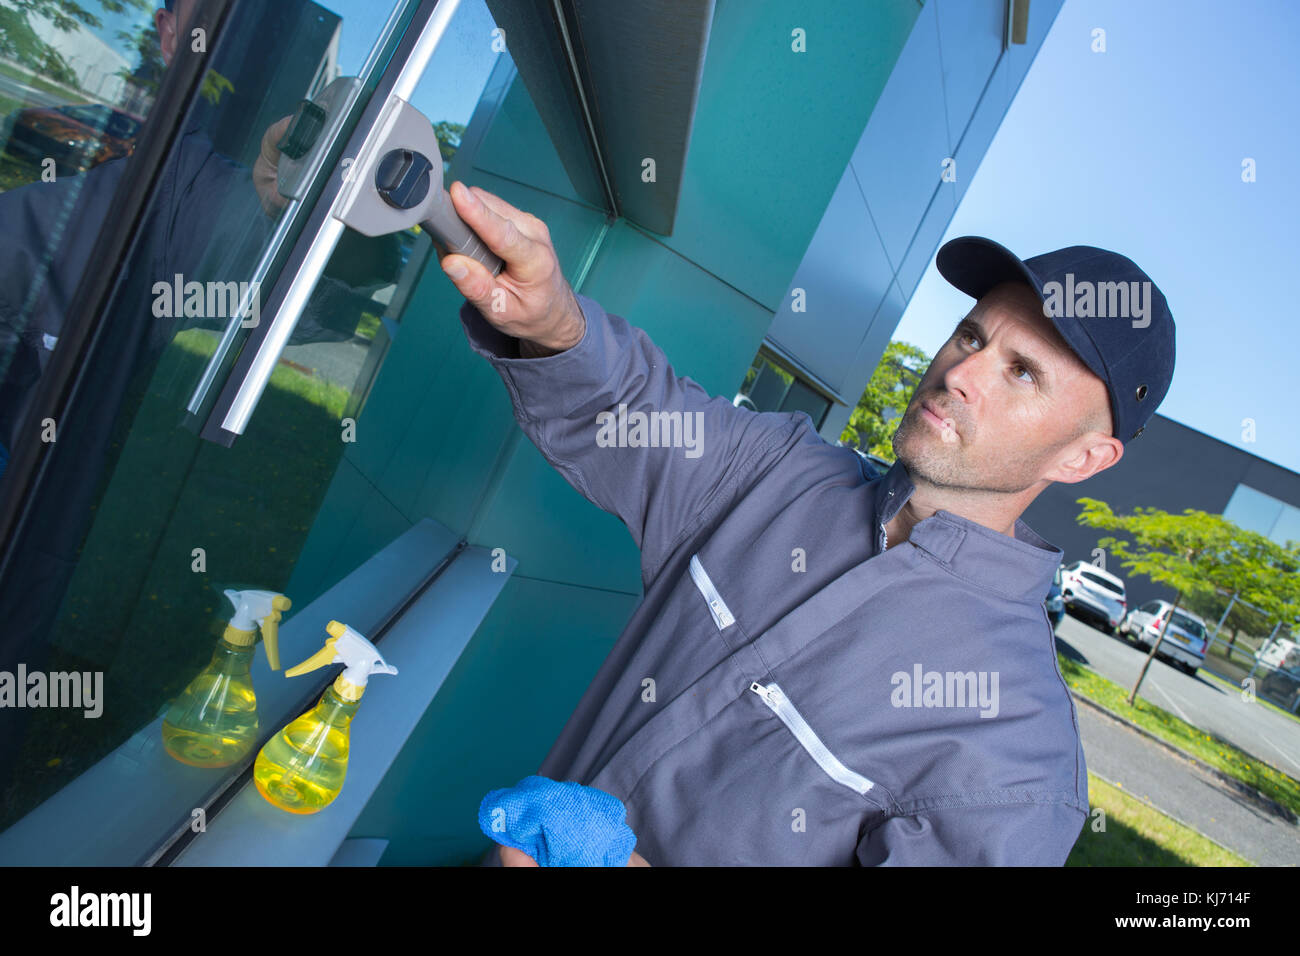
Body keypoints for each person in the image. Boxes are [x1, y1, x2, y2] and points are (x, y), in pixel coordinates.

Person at [437, 180, 1176, 866]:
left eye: (1022, 372)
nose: (959, 372)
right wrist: (552, 318)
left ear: (1084, 458)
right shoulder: (778, 470)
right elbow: (631, 415)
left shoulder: (1017, 755)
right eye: (973, 337)